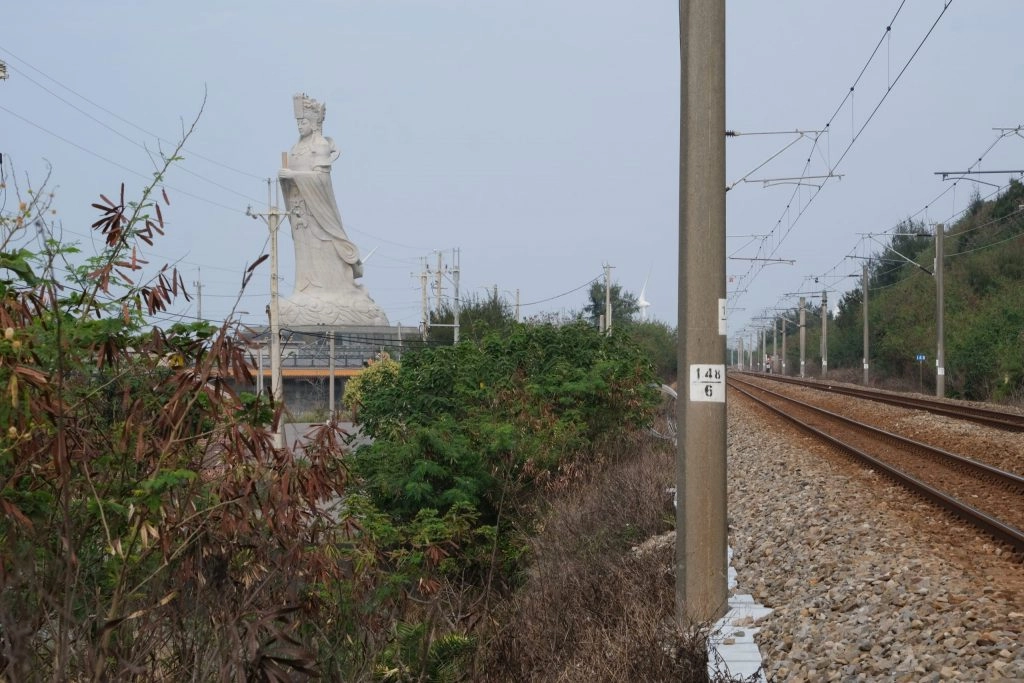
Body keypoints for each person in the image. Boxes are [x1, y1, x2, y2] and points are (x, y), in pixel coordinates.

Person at [277, 94, 388, 325]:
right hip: (301, 212)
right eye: (297, 122)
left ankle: (333, 290)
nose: (300, 126)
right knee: (304, 253)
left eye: (304, 121)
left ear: (315, 122)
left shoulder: (320, 145)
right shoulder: (296, 148)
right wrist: (285, 180)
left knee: (324, 248)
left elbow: (322, 180)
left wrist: (295, 175)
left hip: (319, 211)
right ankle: (306, 291)